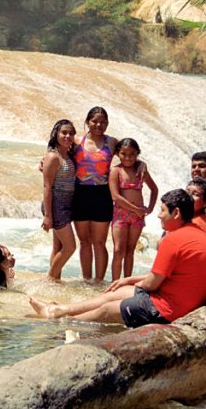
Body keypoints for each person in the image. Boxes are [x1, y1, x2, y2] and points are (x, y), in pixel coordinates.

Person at [28, 189, 206, 327]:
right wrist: (129, 280)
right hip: (183, 300)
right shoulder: (198, 233)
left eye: (162, 210)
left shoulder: (173, 240)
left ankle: (61, 320)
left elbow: (152, 284)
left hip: (168, 310)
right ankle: (59, 310)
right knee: (118, 292)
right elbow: (162, 277)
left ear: (175, 213)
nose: (159, 216)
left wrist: (135, 284)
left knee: (107, 310)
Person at [71, 107, 119, 283]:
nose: (99, 125)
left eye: (103, 122)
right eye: (95, 121)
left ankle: (98, 281)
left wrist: (141, 165)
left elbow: (131, 154)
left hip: (102, 195)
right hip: (80, 194)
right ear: (87, 122)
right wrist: (44, 162)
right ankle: (86, 279)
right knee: (84, 241)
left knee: (99, 242)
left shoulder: (112, 142)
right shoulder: (77, 141)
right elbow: (58, 153)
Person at [109, 138, 158, 281]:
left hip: (137, 216)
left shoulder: (141, 170)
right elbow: (115, 196)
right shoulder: (116, 171)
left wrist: (149, 208)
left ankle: (126, 282)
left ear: (137, 154)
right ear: (118, 154)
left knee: (130, 251)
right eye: (124, 154)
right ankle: (114, 283)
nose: (128, 157)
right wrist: (135, 209)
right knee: (118, 250)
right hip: (120, 215)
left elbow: (154, 189)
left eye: (132, 154)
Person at [41, 119, 77, 281]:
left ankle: (55, 281)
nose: (67, 136)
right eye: (64, 132)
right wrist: (48, 215)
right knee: (70, 247)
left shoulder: (68, 154)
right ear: (56, 134)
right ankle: (50, 279)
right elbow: (47, 187)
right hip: (55, 205)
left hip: (66, 204)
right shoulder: (52, 157)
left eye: (71, 133)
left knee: (58, 246)